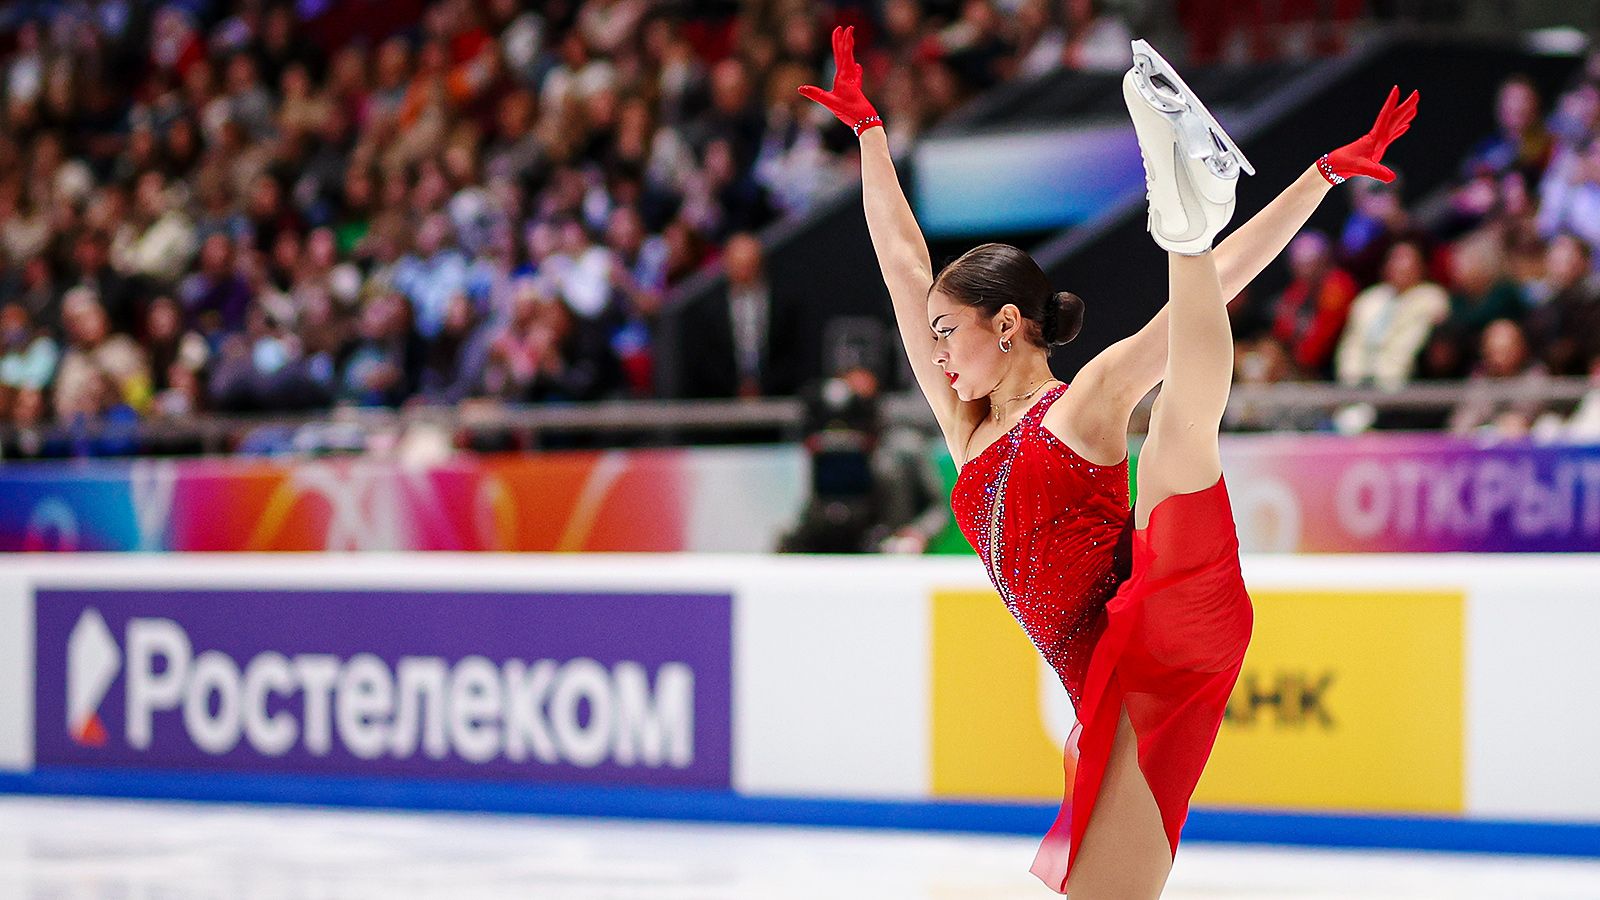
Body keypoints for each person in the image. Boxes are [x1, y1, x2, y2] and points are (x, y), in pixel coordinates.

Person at [801, 27, 1416, 896]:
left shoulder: (1081, 402)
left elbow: (1215, 294)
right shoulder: (966, 431)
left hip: (1153, 634)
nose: (932, 354)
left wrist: (1317, 179)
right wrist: (870, 134)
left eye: (947, 333)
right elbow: (903, 267)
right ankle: (1184, 229)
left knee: (1177, 431)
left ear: (1006, 325)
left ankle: (1184, 232)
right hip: (1105, 697)